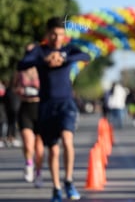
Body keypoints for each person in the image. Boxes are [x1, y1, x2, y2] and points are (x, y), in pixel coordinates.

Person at [17, 17, 91, 202]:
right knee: (54, 150)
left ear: (64, 36)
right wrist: (44, 59)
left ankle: (69, 181)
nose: (57, 38)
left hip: (66, 104)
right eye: (53, 34)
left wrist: (64, 57)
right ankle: (57, 188)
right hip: (46, 106)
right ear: (47, 34)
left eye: (60, 34)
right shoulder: (39, 51)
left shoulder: (68, 49)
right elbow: (22, 64)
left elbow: (85, 56)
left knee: (67, 140)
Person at [13, 43, 45, 187]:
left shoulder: (42, 69)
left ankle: (39, 173)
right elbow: (14, 87)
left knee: (39, 146)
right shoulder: (20, 70)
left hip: (40, 107)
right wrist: (20, 90)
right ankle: (29, 164)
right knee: (27, 142)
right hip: (25, 107)